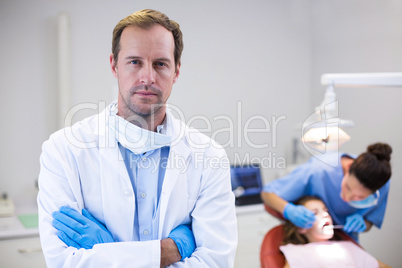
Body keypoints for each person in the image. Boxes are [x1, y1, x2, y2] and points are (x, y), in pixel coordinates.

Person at [37, 9, 237, 267]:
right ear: (114, 65)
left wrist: (109, 252)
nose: (147, 77)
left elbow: (216, 262)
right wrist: (171, 250)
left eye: (160, 64)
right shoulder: (63, 150)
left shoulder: (209, 156)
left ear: (176, 71)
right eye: (134, 62)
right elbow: (64, 261)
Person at [261, 143, 392, 241]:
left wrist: (364, 224)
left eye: (360, 197)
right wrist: (289, 210)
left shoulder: (382, 184)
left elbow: (370, 221)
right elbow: (267, 193)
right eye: (348, 188)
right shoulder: (319, 169)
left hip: (346, 241)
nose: (347, 198)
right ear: (348, 168)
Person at [279, 196, 390, 268]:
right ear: (301, 227)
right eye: (315, 213)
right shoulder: (297, 252)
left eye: (326, 211)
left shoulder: (349, 247)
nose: (325, 214)